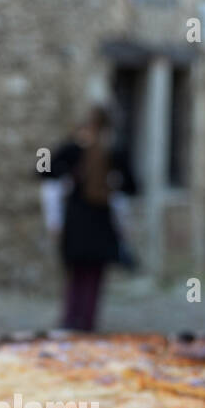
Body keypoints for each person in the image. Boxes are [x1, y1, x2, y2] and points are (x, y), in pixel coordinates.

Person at [39, 105, 137, 331]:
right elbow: (132, 187)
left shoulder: (74, 150)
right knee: (92, 277)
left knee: (77, 276)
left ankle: (71, 321)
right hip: (99, 223)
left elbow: (42, 170)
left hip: (78, 222)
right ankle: (85, 324)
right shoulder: (114, 152)